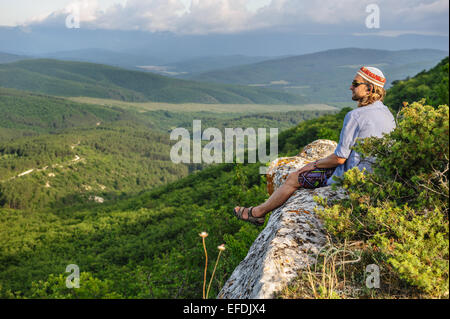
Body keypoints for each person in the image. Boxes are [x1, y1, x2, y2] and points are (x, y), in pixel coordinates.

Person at [234, 66, 397, 226]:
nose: (350, 87)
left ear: (369, 89)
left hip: (352, 178)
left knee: (294, 178)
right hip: (378, 177)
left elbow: (340, 158)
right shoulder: (387, 113)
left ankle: (257, 213)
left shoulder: (355, 116)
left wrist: (312, 164)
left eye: (355, 84)